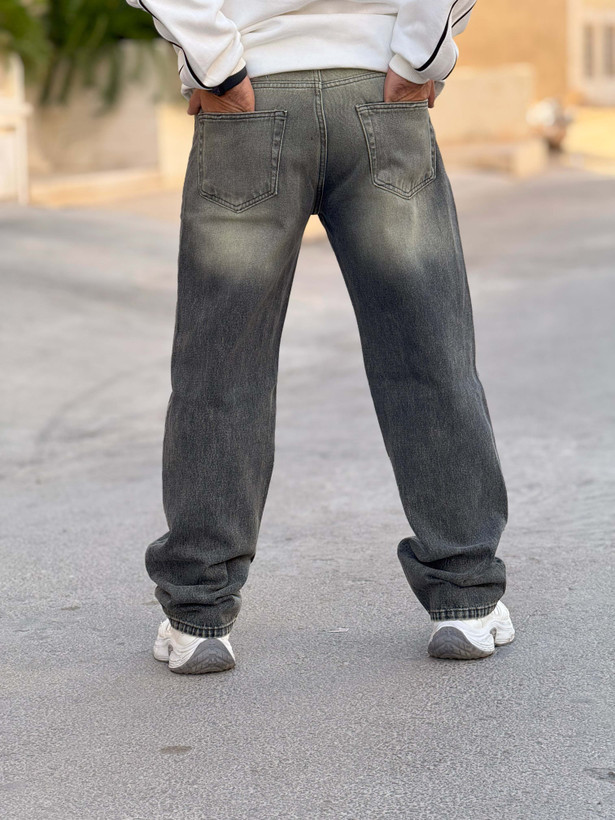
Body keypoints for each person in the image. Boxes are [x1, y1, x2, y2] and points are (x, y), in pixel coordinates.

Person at [127, 0, 515, 673]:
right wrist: (416, 60)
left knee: (221, 368)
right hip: (378, 89)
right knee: (427, 353)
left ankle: (199, 616)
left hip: (249, 94)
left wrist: (217, 67)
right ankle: (466, 601)